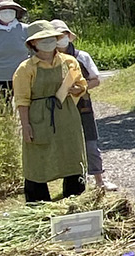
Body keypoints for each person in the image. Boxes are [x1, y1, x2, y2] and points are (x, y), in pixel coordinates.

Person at [14, 20, 89, 203]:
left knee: (72, 156)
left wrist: (76, 89)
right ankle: (38, 206)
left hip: (67, 114)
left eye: (51, 38)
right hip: (39, 116)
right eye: (43, 39)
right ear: (33, 43)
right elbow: (22, 100)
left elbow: (82, 86)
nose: (48, 42)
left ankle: (74, 201)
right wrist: (26, 126)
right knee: (37, 160)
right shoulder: (26, 68)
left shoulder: (69, 61)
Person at [50, 19, 111, 191]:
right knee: (66, 144)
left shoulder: (81, 56)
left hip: (83, 104)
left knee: (91, 143)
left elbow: (95, 80)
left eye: (64, 35)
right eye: (57, 36)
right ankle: (74, 184)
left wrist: (78, 89)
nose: (62, 39)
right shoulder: (47, 60)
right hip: (60, 107)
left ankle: (100, 180)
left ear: (69, 36)